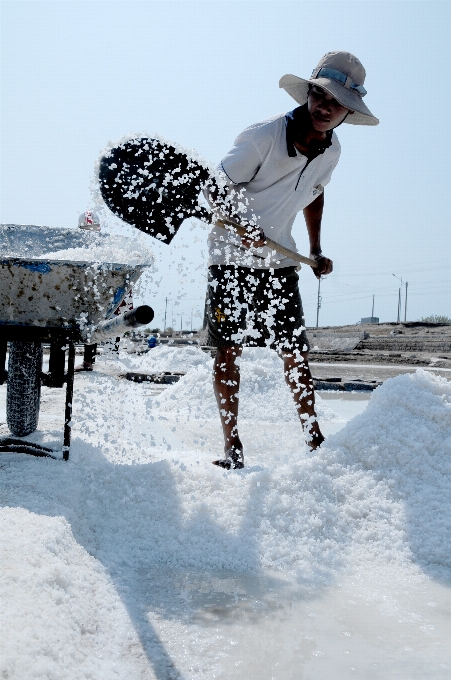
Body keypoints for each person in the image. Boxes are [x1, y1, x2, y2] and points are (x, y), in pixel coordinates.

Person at [204, 51, 379, 469]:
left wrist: (315, 249)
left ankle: (314, 440)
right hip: (231, 257)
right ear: (309, 94)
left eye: (336, 103)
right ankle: (233, 447)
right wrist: (239, 224)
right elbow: (213, 189)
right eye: (320, 95)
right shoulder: (262, 136)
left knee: (296, 355)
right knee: (227, 353)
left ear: (347, 113)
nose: (324, 107)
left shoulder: (332, 150)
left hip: (280, 262)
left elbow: (315, 193)